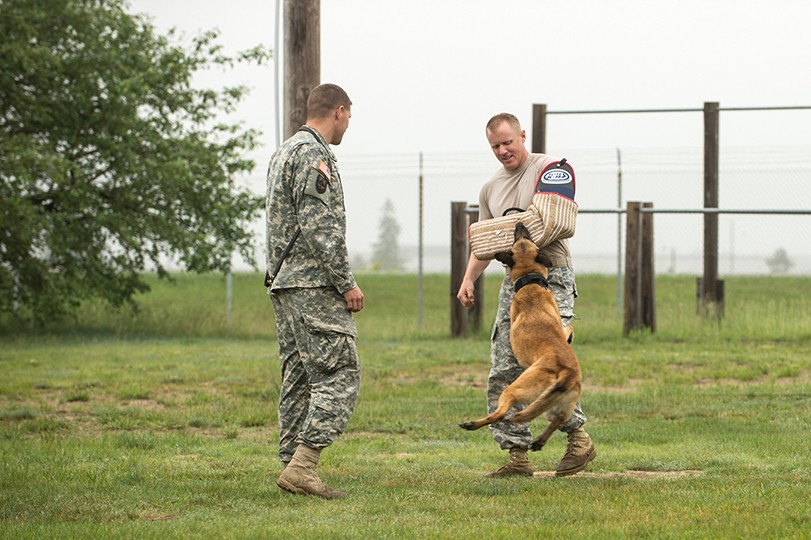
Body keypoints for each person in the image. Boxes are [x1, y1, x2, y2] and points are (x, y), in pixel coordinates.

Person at [457, 112, 597, 477]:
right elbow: (487, 243)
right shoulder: (490, 189)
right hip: (513, 285)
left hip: (552, 279)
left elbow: (556, 220)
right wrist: (469, 278)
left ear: (522, 135)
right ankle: (517, 456)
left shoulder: (549, 169)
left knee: (552, 365)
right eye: (495, 147)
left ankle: (578, 440)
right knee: (503, 367)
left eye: (507, 142)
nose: (503, 151)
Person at [266, 83, 364, 499]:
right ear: (338, 111)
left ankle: (291, 461)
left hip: (285, 281)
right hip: (312, 283)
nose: (347, 126)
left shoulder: (284, 150)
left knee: (300, 376)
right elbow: (318, 224)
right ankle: (304, 464)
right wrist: (347, 282)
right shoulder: (314, 154)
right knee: (340, 372)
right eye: (349, 117)